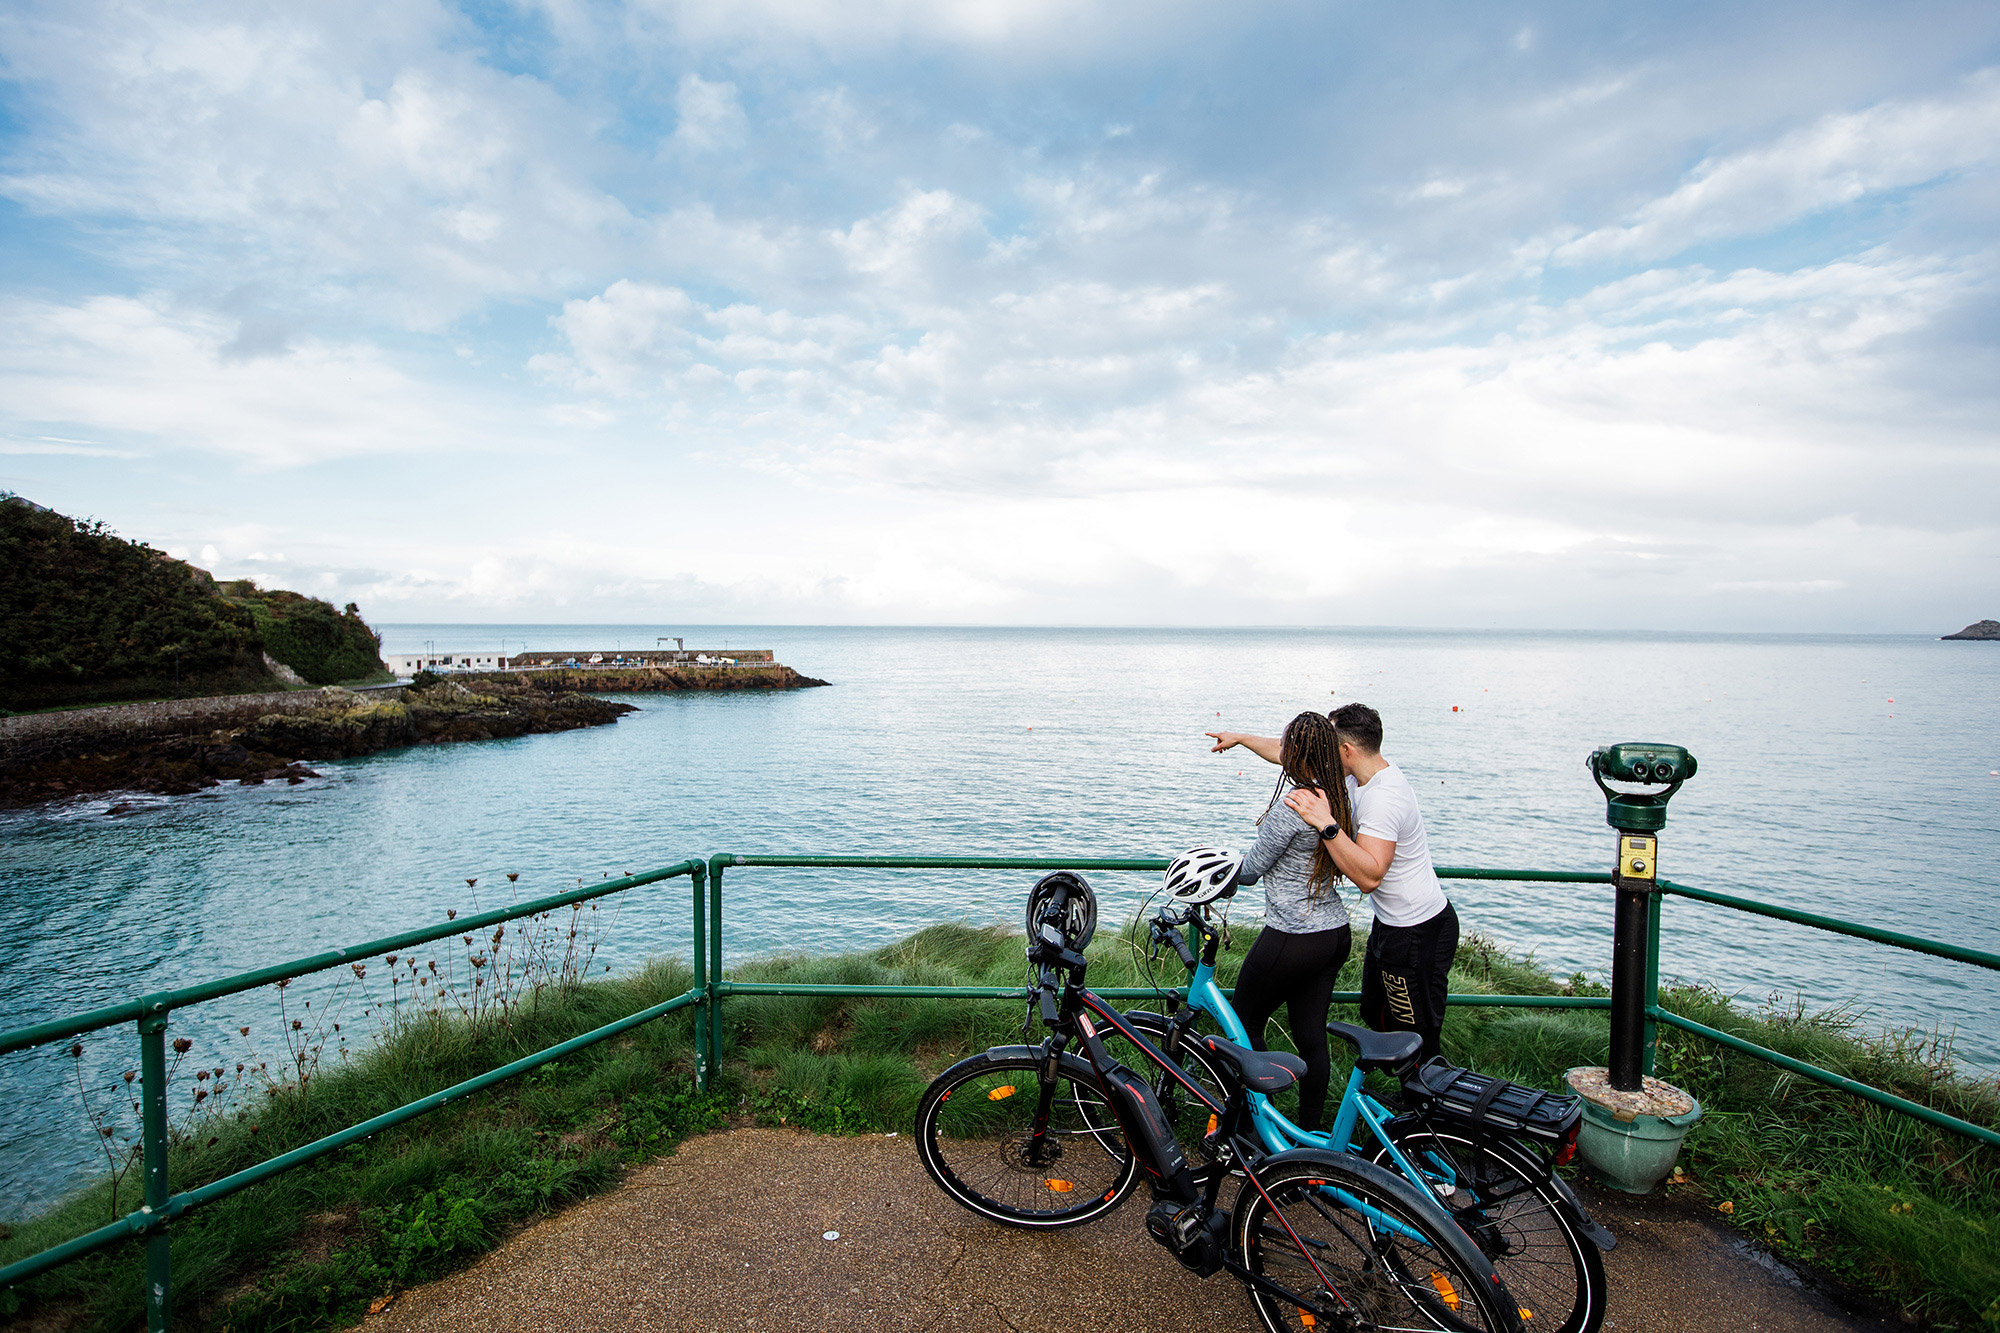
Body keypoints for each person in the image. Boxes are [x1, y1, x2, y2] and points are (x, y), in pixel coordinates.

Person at [1209, 702, 1458, 1062]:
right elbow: (1294, 756)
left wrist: (1326, 824)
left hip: (1417, 930)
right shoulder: (1356, 776)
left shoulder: (1382, 799)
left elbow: (1370, 876)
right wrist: (1242, 738)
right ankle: (1395, 1101)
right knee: (1375, 1014)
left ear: (1345, 750)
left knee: (1416, 1031)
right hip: (1388, 925)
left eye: (1329, 744)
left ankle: (1428, 1108)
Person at [1220, 711, 1358, 1130]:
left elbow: (1250, 870)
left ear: (1295, 755)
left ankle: (1252, 1125)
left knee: (1242, 1026)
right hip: (1333, 932)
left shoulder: (1295, 803)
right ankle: (1312, 1137)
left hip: (1293, 935)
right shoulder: (1337, 796)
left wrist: (1213, 868)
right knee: (1311, 1038)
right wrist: (1241, 737)